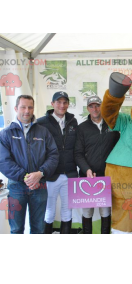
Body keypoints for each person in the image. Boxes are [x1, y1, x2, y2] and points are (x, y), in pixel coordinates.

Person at [0, 95, 59, 234]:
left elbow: (53, 155)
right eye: (23, 107)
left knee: (38, 228)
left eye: (30, 107)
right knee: (16, 229)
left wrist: (40, 173)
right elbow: (3, 161)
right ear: (16, 108)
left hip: (40, 185)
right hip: (16, 187)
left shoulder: (43, 132)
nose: (27, 110)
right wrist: (26, 177)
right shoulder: (6, 133)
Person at [74, 96, 119, 234]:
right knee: (87, 212)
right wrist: (86, 169)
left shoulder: (113, 125)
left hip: (106, 177)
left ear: (102, 107)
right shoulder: (81, 128)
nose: (95, 109)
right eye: (91, 106)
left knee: (105, 211)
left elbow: (120, 148)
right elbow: (78, 153)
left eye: (97, 105)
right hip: (87, 178)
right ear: (88, 108)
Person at [37, 91, 78, 234]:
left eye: (65, 102)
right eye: (58, 102)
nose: (62, 105)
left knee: (68, 210)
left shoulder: (73, 121)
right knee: (49, 210)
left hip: (70, 174)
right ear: (52, 103)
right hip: (50, 175)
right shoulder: (41, 123)